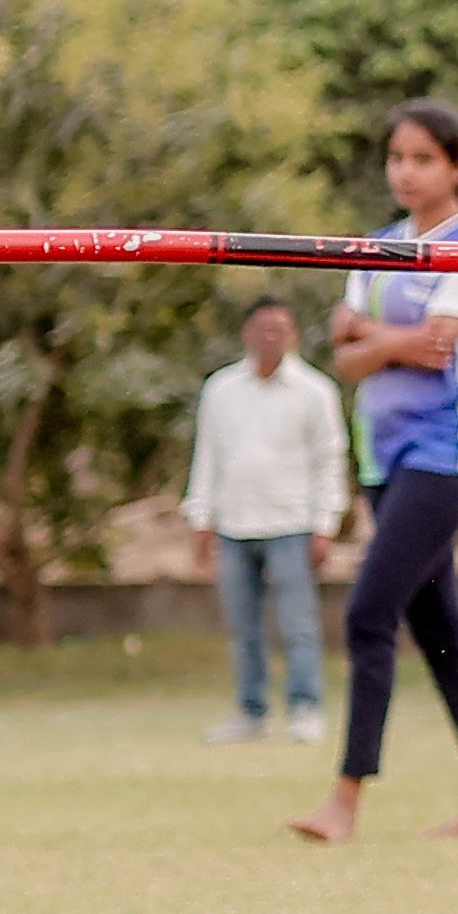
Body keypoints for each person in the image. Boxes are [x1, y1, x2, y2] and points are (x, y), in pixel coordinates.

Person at [291, 102, 458, 845]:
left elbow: (437, 347)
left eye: (423, 158)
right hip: (385, 455)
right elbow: (345, 355)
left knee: (369, 612)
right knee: (440, 630)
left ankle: (345, 799)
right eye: (397, 157)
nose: (406, 171)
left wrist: (374, 335)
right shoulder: (377, 245)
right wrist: (389, 340)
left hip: (447, 453)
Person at [182, 298, 346, 747]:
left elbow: (329, 461)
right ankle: (251, 711)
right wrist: (201, 517)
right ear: (246, 334)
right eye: (262, 328)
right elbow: (207, 456)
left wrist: (326, 524)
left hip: (291, 522)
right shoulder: (222, 389)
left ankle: (305, 707)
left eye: (279, 329)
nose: (270, 337)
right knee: (243, 627)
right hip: (235, 523)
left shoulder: (315, 391)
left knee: (298, 624)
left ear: (293, 336)